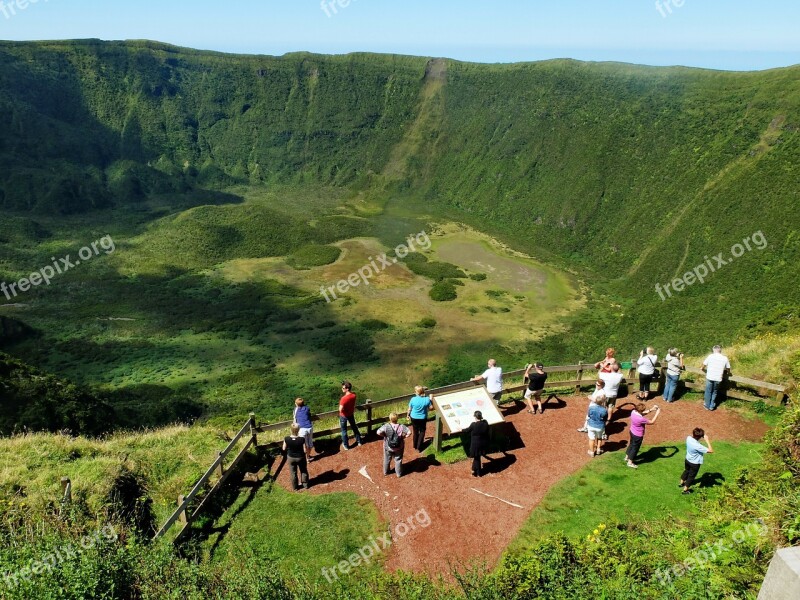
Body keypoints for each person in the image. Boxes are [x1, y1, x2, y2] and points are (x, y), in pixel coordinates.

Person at [626, 403, 661, 468]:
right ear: (640, 411)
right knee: (635, 448)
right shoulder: (641, 419)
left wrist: (652, 409)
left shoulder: (633, 412)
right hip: (638, 435)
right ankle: (630, 462)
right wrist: (657, 413)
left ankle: (627, 456)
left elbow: (642, 413)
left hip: (632, 432)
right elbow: (652, 422)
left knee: (631, 444)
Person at [377, 413, 411, 477]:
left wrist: (384, 435)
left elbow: (378, 432)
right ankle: (398, 473)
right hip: (399, 446)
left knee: (387, 459)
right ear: (397, 419)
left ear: (390, 419)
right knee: (398, 459)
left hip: (388, 446)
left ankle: (386, 472)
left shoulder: (386, 426)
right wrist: (404, 437)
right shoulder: (401, 426)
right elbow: (409, 432)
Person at [680, 428, 713, 494]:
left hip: (687, 459)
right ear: (700, 437)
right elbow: (711, 450)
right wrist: (707, 440)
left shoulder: (688, 438)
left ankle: (681, 483)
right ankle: (685, 490)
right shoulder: (698, 446)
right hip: (694, 464)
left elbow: (694, 436)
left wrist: (698, 434)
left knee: (686, 471)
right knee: (691, 477)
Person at [702, 345, 731, 411]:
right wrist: (728, 373)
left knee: (708, 391)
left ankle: (707, 405)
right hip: (718, 378)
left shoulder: (710, 356)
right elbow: (728, 368)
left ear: (713, 350)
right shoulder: (725, 358)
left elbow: (704, 364)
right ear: (720, 350)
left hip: (710, 377)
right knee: (714, 391)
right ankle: (712, 406)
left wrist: (702, 368)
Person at [462, 411, 490, 477]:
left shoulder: (473, 425)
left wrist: (461, 429)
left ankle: (478, 472)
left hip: (475, 444)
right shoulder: (485, 423)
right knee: (477, 456)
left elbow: (467, 430)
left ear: (475, 417)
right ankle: (473, 469)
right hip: (483, 443)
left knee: (477, 457)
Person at [282, 423, 309, 491]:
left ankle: (295, 487)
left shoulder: (286, 439)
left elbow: (283, 448)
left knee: (293, 472)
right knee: (303, 470)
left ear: (290, 430)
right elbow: (305, 450)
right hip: (300, 457)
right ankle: (305, 485)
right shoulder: (302, 439)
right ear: (298, 430)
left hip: (291, 457)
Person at [407, 386, 434, 452]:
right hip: (422, 418)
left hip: (414, 417)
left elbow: (409, 409)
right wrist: (430, 400)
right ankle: (419, 447)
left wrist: (408, 415)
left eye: (415, 391)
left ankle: (415, 445)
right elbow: (431, 408)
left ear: (417, 392)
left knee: (415, 432)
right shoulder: (427, 399)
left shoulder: (413, 399)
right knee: (422, 431)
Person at [339, 381, 363, 450]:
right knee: (354, 427)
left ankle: (346, 446)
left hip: (344, 415)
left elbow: (340, 409)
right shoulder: (354, 395)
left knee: (344, 431)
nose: (342, 389)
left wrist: (344, 410)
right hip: (351, 414)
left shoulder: (343, 399)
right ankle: (359, 441)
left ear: (347, 389)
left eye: (343, 388)